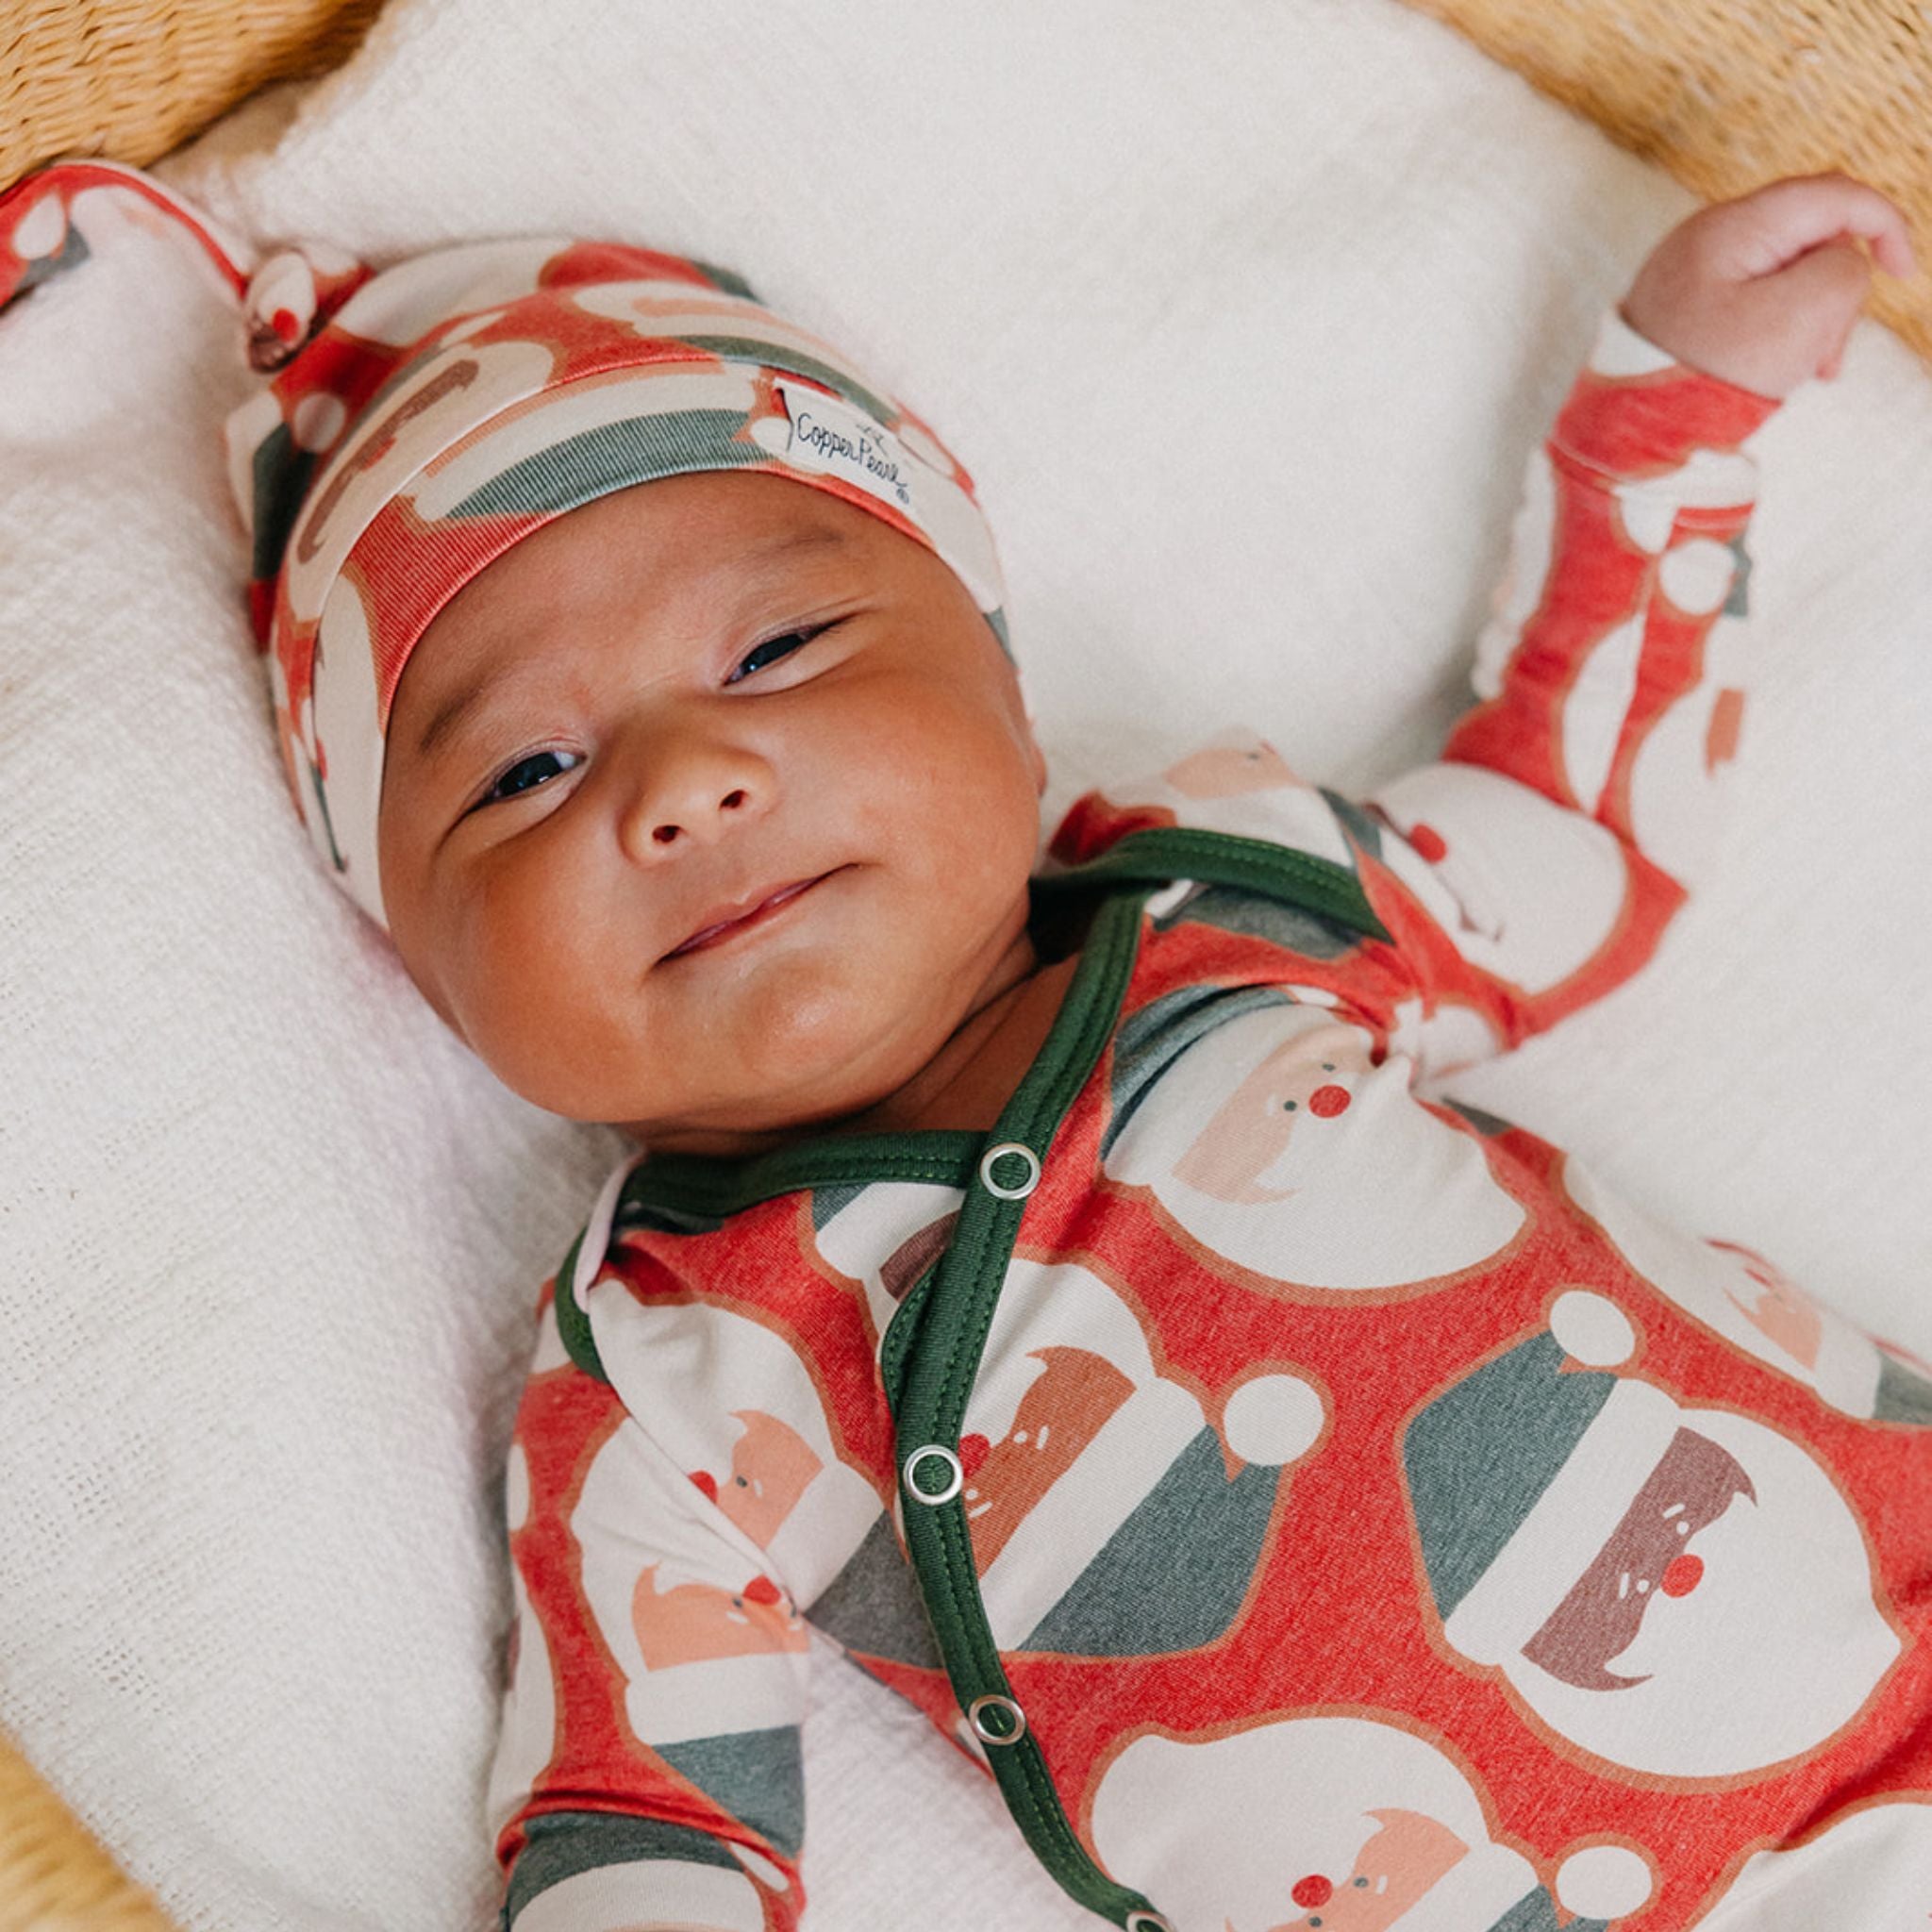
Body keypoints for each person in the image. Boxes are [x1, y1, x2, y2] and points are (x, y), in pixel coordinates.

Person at [5, 158, 1924, 1930]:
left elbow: (1579, 837)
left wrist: (1670, 425)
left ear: (1003, 689)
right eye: (524, 773)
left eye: (777, 651)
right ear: (426, 979)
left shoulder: (1224, 900)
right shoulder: (673, 1372)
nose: (684, 781)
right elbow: (649, 1814)